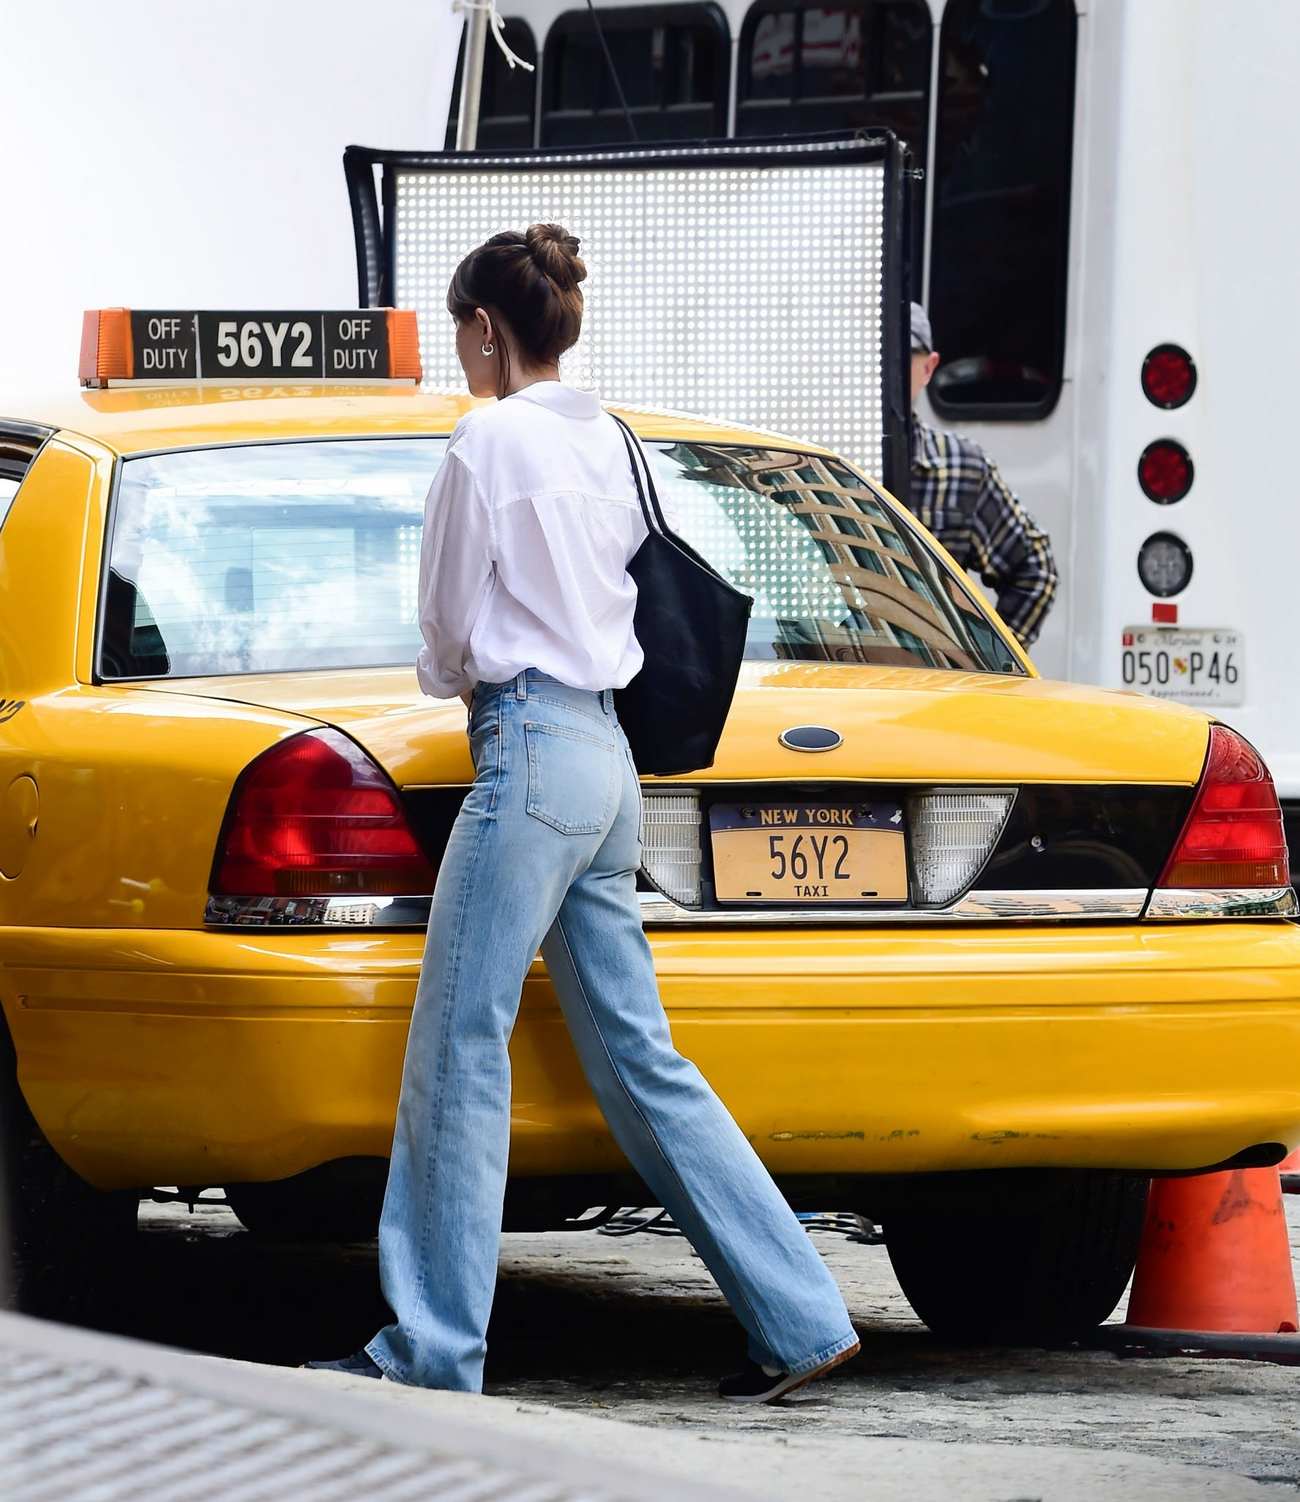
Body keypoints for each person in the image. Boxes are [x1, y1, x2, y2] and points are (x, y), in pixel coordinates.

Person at [305, 224, 860, 1402]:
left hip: (529, 748)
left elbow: (451, 631)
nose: (461, 358)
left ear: (486, 329)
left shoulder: (484, 437)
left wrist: (447, 670)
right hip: (609, 765)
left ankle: (430, 1347)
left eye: (461, 336)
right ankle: (803, 1312)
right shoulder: (611, 437)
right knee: (641, 1058)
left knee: (459, 1043)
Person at [908, 302, 1058, 649]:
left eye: (904, 354)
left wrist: (988, 662)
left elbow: (1034, 568)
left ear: (929, 368)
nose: (886, 367)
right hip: (823, 680)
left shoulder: (962, 467)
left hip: (928, 686)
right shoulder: (818, 458)